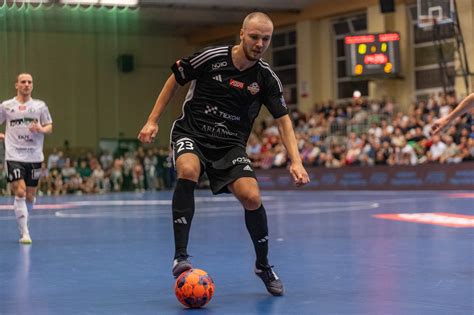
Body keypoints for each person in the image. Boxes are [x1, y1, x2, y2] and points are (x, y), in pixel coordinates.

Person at [138, 12, 309, 296]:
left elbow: (283, 120)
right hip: (192, 133)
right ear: (241, 34)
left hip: (230, 145)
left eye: (265, 39)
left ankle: (263, 264)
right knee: (188, 170)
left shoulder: (266, 78)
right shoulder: (211, 57)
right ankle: (181, 256)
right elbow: (174, 79)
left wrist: (296, 160)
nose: (259, 43)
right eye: (254, 37)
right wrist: (152, 120)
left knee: (252, 197)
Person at [0, 73, 53, 244]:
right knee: (20, 191)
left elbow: (49, 126)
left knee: (30, 196)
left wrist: (41, 129)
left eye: (29, 82)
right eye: (23, 82)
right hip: (14, 154)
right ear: (16, 85)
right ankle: (25, 232)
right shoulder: (7, 106)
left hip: (34, 155)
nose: (26, 84)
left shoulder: (40, 106)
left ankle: (24, 220)